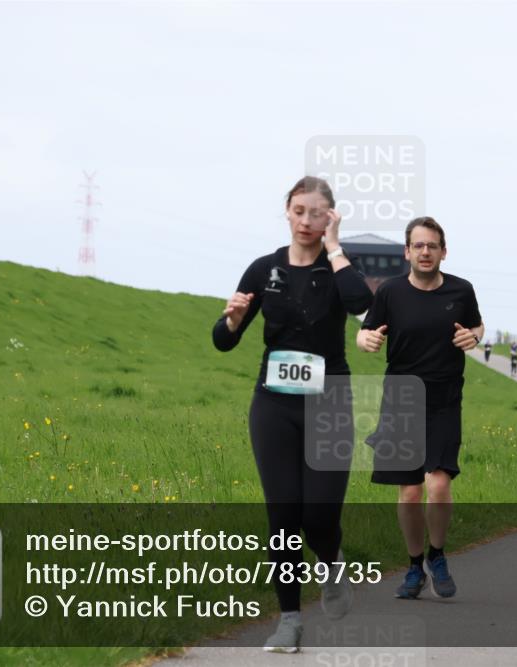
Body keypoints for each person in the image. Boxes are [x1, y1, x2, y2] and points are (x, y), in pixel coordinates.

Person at [212, 176, 373, 653]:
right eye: (299, 211)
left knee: (319, 515)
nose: (306, 221)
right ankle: (289, 621)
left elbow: (362, 305)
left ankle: (331, 560)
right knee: (283, 515)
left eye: (317, 213)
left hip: (330, 403)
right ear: (286, 210)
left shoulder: (340, 267)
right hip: (274, 404)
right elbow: (222, 341)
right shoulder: (263, 269)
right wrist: (231, 321)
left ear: (330, 217)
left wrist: (335, 248)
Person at [357, 216, 483, 601]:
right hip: (400, 400)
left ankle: (437, 555)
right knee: (410, 493)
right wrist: (366, 340)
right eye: (419, 245)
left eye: (432, 246)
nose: (425, 252)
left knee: (439, 483)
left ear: (444, 252)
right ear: (407, 252)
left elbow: (477, 327)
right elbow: (366, 330)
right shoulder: (390, 292)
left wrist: (473, 337)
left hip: (444, 399)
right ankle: (414, 566)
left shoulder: (461, 290)